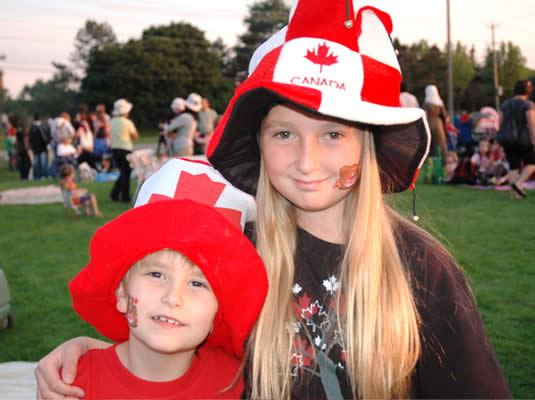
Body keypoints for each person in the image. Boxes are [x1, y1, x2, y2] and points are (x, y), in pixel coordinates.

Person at [35, 2, 512, 399]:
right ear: (259, 141)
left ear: (367, 146)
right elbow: (177, 336)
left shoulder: (421, 268)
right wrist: (90, 351)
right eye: (284, 133)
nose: (306, 161)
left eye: (332, 134)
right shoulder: (234, 249)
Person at [65, 159, 266, 399]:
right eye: (156, 274)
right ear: (121, 293)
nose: (173, 298)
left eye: (197, 283)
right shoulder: (71, 387)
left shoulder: (241, 387)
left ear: (219, 309)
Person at [497, 79, 535, 199]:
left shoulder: (505, 104)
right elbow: (531, 124)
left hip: (507, 139)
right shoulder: (528, 104)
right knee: (532, 163)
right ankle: (518, 185)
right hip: (524, 139)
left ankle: (514, 195)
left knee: (513, 166)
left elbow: (500, 122)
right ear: (528, 90)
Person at [109, 98, 138, 203]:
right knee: (126, 173)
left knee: (123, 172)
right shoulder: (127, 122)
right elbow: (135, 136)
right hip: (125, 148)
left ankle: (115, 194)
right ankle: (124, 196)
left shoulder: (111, 121)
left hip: (114, 148)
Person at [424, 84, 449, 161]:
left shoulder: (426, 102)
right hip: (439, 125)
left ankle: (431, 163)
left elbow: (425, 114)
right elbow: (445, 115)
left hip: (429, 124)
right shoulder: (439, 102)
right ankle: (442, 162)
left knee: (430, 144)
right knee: (440, 144)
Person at [29, 113, 51, 180]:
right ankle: (43, 176)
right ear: (40, 118)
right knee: (43, 163)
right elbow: (45, 138)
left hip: (35, 148)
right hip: (43, 148)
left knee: (36, 164)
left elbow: (30, 139)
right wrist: (48, 144)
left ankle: (37, 177)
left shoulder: (32, 128)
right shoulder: (42, 127)